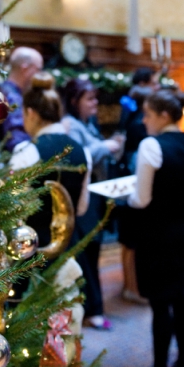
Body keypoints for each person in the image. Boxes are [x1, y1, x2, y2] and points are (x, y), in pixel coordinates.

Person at [123, 90, 184, 367]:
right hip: (183, 232)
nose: (144, 120)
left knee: (160, 304)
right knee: (180, 297)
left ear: (164, 115)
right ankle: (182, 365)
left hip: (155, 232)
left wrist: (126, 195)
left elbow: (141, 198)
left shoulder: (151, 145)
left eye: (148, 114)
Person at [8, 73, 92, 301]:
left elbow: (15, 211)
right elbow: (81, 208)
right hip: (69, 252)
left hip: (32, 254)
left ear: (31, 113)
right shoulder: (83, 151)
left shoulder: (25, 153)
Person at [61, 78, 124, 330]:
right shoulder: (71, 125)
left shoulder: (87, 123)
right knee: (87, 252)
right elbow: (80, 158)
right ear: (75, 101)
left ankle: (93, 306)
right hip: (83, 198)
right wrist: (105, 146)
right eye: (90, 99)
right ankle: (92, 308)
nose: (95, 103)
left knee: (93, 252)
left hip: (96, 194)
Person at [116, 82, 154, 305]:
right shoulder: (140, 124)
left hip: (130, 183)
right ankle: (131, 288)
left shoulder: (131, 119)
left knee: (129, 241)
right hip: (134, 185)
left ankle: (130, 285)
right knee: (131, 242)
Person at [0, 47, 43, 152]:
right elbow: (18, 142)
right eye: (38, 69)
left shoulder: (6, 90)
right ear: (25, 69)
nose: (40, 75)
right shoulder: (12, 97)